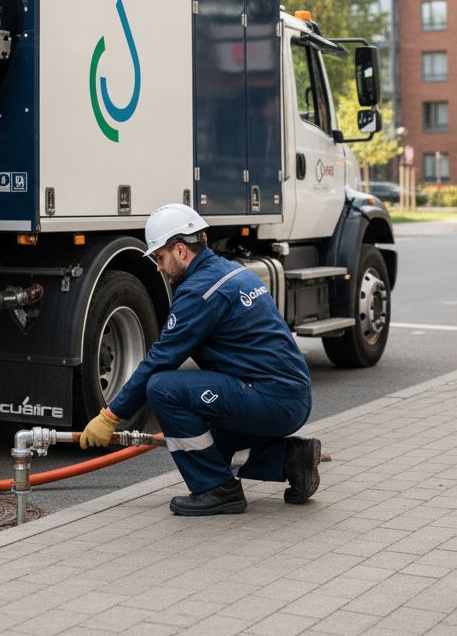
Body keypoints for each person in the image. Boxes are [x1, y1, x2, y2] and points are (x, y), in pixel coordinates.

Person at [80, 203, 322, 516]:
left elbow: (160, 360)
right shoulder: (230, 271)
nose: (158, 267)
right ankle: (292, 460)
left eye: (160, 257)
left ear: (180, 250)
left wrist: (110, 416)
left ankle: (218, 490)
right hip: (288, 396)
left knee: (163, 388)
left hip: (270, 399)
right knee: (205, 447)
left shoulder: (199, 291)